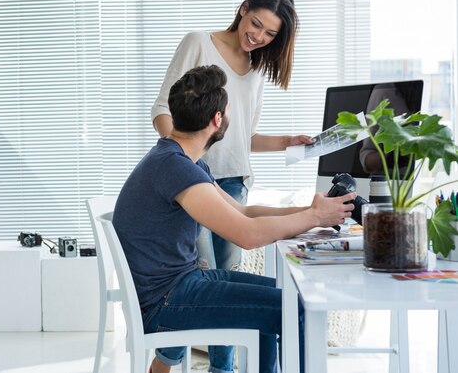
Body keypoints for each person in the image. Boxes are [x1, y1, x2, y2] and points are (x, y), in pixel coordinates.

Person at [115, 65, 356, 373]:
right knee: (298, 309)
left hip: (182, 284)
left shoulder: (183, 160)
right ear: (217, 120)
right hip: (168, 301)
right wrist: (311, 217)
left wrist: (311, 213)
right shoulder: (176, 168)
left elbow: (244, 212)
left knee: (286, 298)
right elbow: (247, 235)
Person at [151, 0, 313, 271]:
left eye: (270, 34)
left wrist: (287, 141)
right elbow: (162, 111)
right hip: (193, 179)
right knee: (201, 272)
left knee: (228, 275)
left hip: (234, 181)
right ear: (244, 9)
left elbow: (244, 138)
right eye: (256, 24)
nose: (259, 36)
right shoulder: (199, 43)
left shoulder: (257, 69)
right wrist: (186, 161)